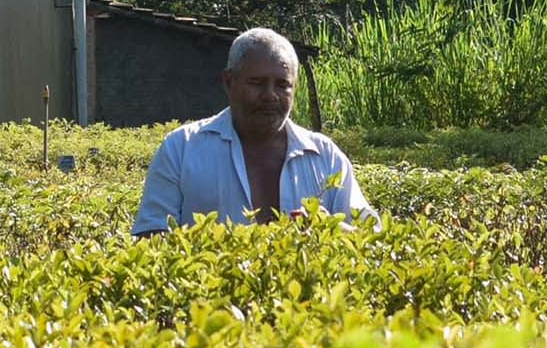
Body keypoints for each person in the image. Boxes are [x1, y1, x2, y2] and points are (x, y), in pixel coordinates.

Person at [132, 26, 372, 235]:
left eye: (282, 85)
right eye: (257, 83)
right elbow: (150, 238)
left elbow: (371, 239)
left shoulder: (325, 156)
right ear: (229, 82)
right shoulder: (181, 148)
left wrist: (329, 227)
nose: (270, 96)